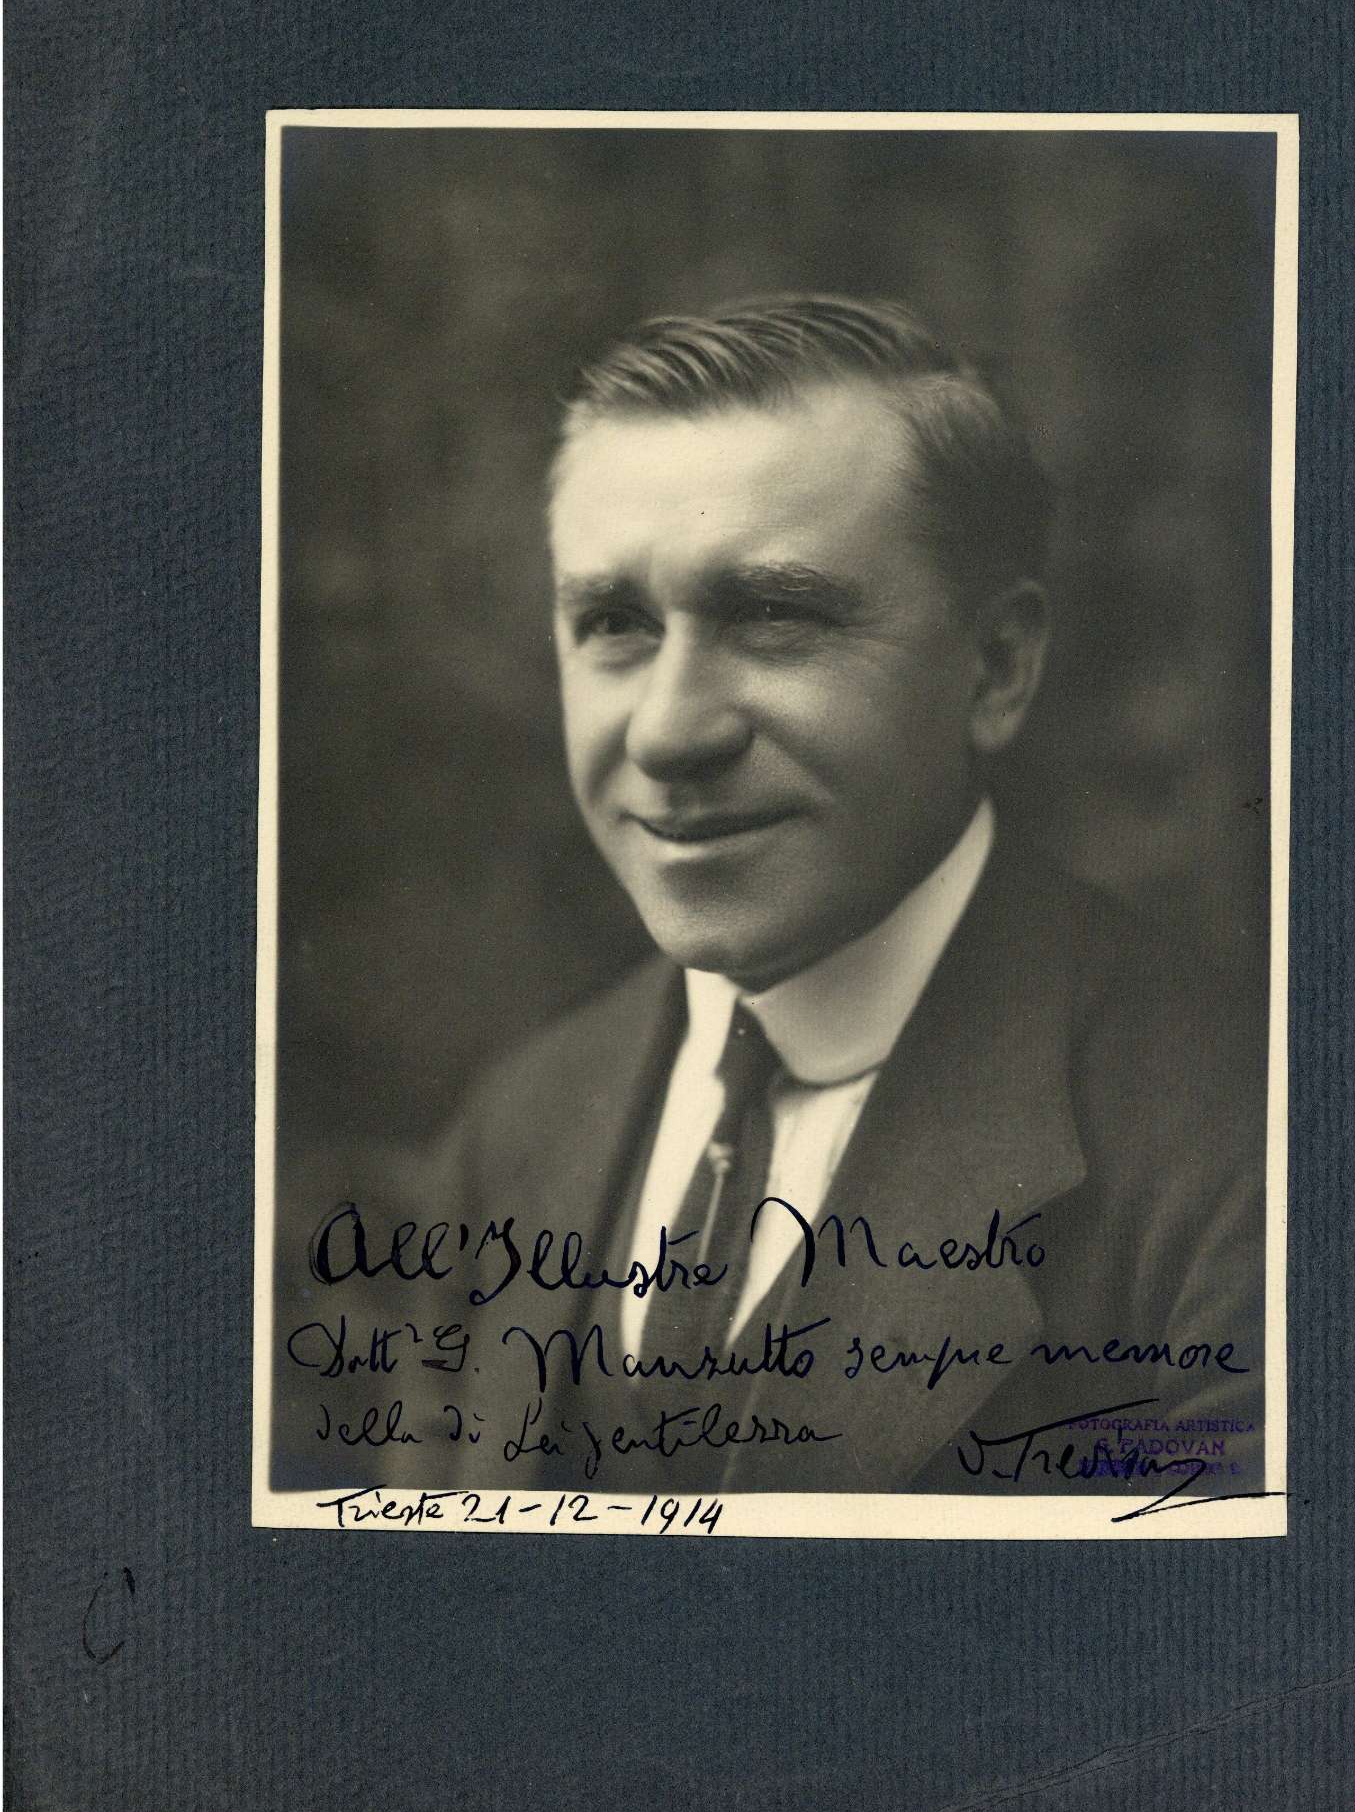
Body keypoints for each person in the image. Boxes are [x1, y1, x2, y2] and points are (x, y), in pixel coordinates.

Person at [299, 295, 1266, 1500]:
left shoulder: (1241, 1166)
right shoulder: (516, 1127)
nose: (665, 732)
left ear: (996, 667)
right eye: (613, 623)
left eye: (773, 615)